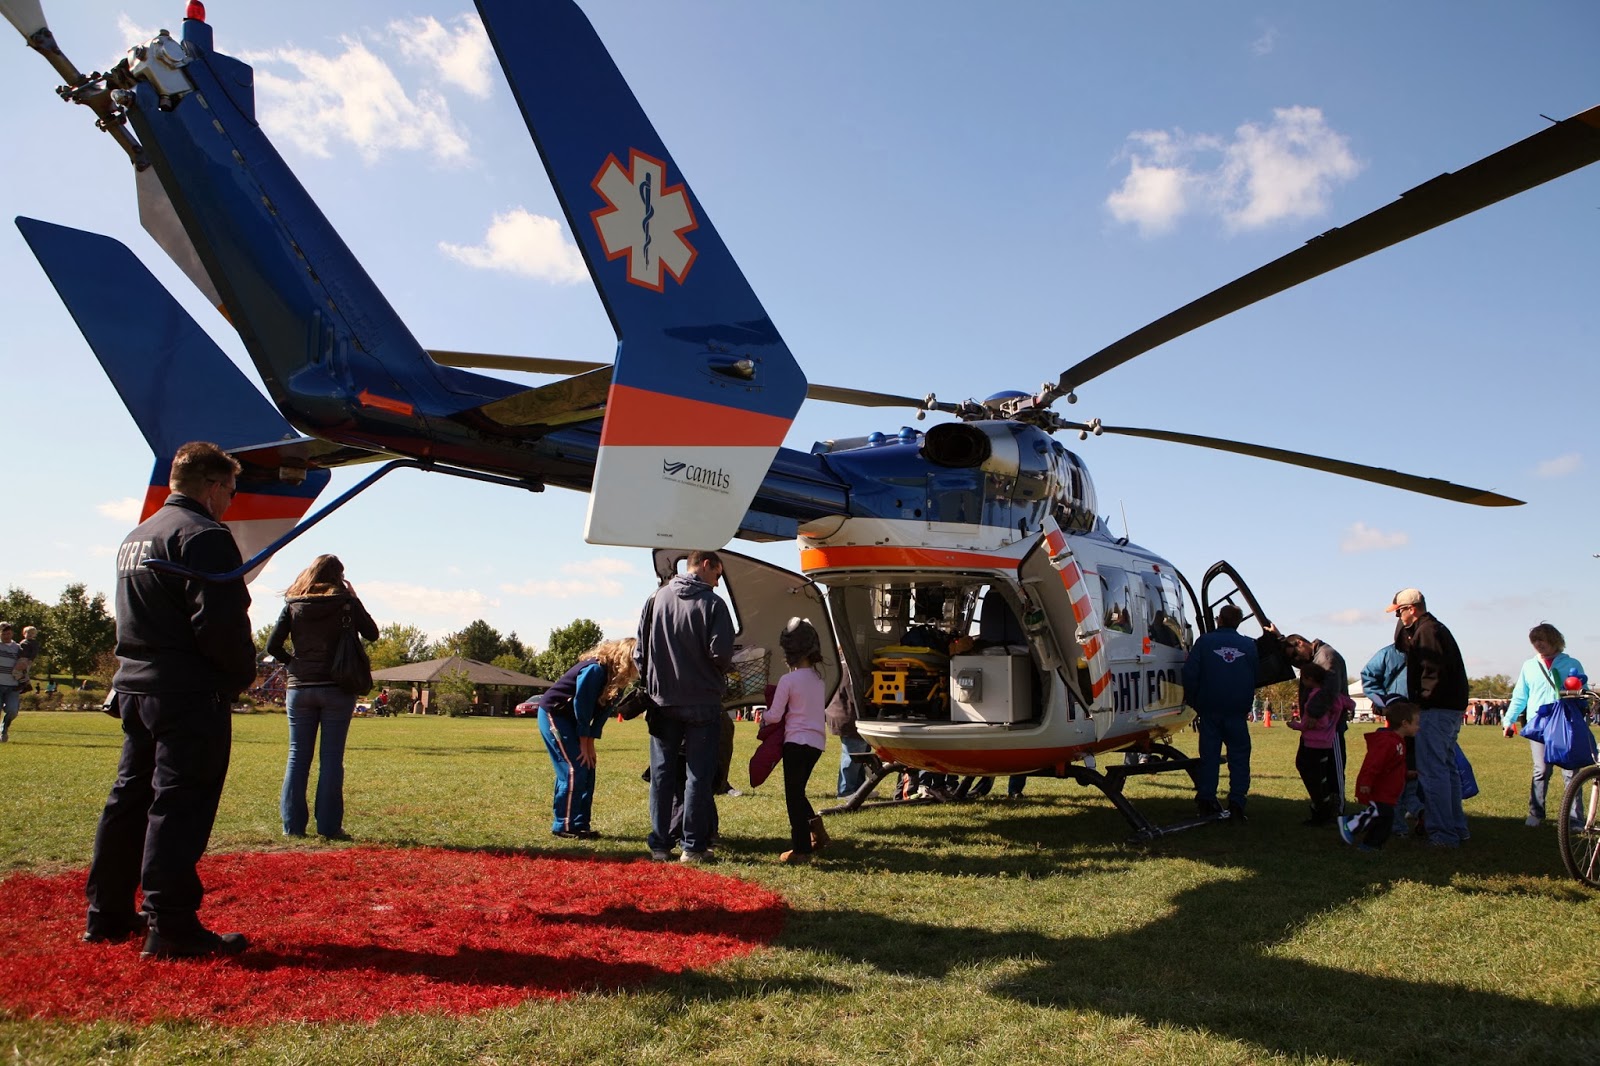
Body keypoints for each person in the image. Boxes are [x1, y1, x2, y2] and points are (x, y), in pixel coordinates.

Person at [85, 441, 257, 958]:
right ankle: (172, 924)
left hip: (136, 687)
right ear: (211, 485)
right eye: (230, 489)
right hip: (186, 691)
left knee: (130, 800)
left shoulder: (138, 536)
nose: (231, 499)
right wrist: (235, 677)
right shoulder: (203, 535)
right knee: (179, 806)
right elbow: (220, 622)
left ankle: (108, 913)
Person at [265, 554, 379, 840]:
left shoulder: (293, 605)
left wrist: (293, 664)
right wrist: (355, 598)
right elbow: (372, 633)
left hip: (300, 687)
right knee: (331, 759)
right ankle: (329, 826)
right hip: (337, 687)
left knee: (297, 757)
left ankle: (293, 826)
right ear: (339, 576)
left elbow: (272, 645)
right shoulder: (345, 603)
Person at [637, 550, 734, 863]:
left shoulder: (655, 599)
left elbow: (639, 653)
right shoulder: (714, 604)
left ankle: (660, 845)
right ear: (705, 565)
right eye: (717, 575)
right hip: (703, 702)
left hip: (662, 700)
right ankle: (692, 847)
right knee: (698, 776)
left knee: (663, 774)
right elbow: (720, 653)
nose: (717, 583)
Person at [1387, 588, 1470, 848]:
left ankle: (1443, 834)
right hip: (1446, 708)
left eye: (1400, 611)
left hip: (1435, 710)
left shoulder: (1427, 632)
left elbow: (1432, 673)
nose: (1398, 617)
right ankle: (1456, 828)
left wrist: (1419, 705)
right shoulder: (1429, 629)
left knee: (1433, 772)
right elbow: (1402, 645)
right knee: (1445, 770)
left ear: (1412, 608)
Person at [537, 637, 637, 840]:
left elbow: (602, 712)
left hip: (573, 720)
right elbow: (581, 705)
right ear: (626, 657)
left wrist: (591, 743)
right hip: (555, 715)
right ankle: (563, 825)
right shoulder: (595, 669)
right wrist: (583, 740)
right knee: (574, 768)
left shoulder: (619, 678)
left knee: (588, 766)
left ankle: (580, 824)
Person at [1501, 623, 1585, 828]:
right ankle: (1536, 812)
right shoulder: (1529, 666)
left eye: (1542, 639)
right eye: (1534, 641)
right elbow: (1520, 695)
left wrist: (1575, 688)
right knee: (1541, 770)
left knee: (1571, 771)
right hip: (1539, 723)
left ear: (1555, 640)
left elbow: (1580, 693)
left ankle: (1574, 818)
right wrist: (1509, 720)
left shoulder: (1572, 663)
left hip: (1564, 721)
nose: (1538, 644)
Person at [1182, 604, 1259, 822]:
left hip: (1210, 709)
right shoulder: (1249, 645)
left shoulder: (1205, 642)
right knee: (1240, 757)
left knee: (1209, 757)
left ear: (1219, 619)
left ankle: (1206, 800)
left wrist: (1195, 701)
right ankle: (1237, 802)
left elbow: (1189, 673)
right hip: (1236, 711)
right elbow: (1256, 674)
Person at [763, 618, 829, 863]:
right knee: (798, 792)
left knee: (793, 796)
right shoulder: (818, 679)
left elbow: (775, 715)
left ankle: (801, 849)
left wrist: (763, 717)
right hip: (816, 743)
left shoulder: (788, 681)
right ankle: (817, 831)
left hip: (795, 742)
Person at [1338, 701, 1421, 850]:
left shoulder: (1399, 742)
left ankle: (1370, 845)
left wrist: (1406, 773)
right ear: (1404, 724)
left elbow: (1393, 766)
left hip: (1388, 793)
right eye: (1416, 723)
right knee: (1377, 815)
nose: (1418, 727)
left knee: (1385, 820)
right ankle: (1349, 824)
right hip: (1379, 791)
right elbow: (1372, 764)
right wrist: (1365, 783)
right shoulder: (1388, 742)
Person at [1360, 635, 1421, 834]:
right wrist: (1385, 703)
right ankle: (1399, 821)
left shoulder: (1428, 649)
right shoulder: (1388, 654)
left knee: (1413, 771)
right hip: (1401, 720)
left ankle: (1417, 812)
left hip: (1418, 719)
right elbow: (1368, 676)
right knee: (1396, 766)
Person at [1288, 662, 1345, 825]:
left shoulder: (1317, 697)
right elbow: (1347, 703)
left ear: (1309, 679)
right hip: (1326, 743)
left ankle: (1321, 809)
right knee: (1321, 776)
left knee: (1313, 777)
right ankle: (1325, 806)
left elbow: (1318, 722)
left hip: (1313, 743)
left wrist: (1297, 726)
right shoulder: (1333, 696)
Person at [0, 623, 21, 743]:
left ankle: (4, 729)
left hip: (13, 686)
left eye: (8, 633)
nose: (6, 636)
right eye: (3, 633)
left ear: (12, 633)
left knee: (13, 711)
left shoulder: (18, 648)